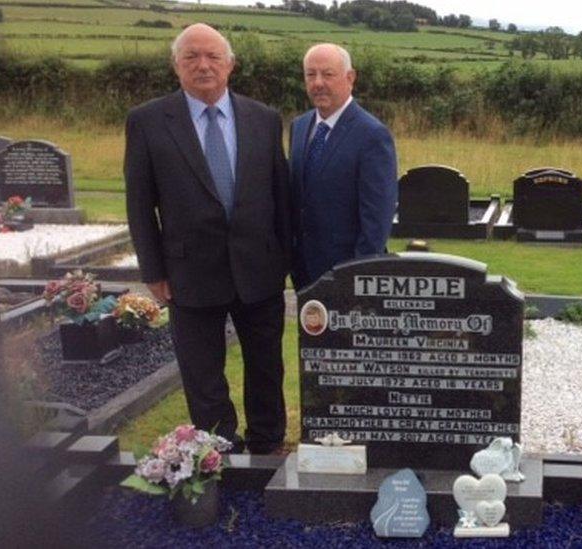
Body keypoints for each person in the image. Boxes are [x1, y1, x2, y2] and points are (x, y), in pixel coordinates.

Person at [124, 24, 290, 454]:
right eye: (191, 57)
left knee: (266, 366)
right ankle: (218, 450)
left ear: (230, 64)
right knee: (202, 372)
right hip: (188, 272)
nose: (203, 65)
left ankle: (268, 444)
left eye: (213, 56)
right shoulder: (147, 121)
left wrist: (286, 259)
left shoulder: (265, 119)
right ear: (176, 66)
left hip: (258, 269)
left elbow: (281, 195)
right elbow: (140, 204)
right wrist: (153, 270)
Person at [289, 43, 398, 290]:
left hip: (349, 275)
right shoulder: (299, 126)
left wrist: (357, 277)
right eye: (310, 74)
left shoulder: (372, 135)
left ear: (350, 78)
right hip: (304, 273)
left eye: (328, 74)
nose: (318, 83)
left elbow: (377, 219)